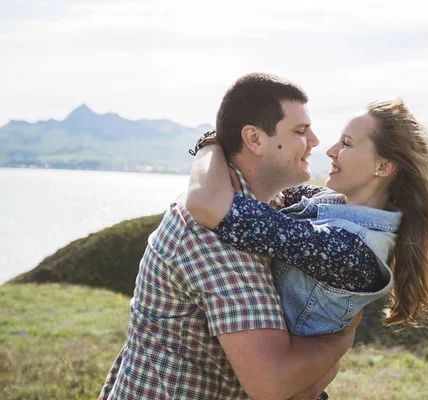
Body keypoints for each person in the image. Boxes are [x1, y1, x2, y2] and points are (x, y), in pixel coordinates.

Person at [98, 73, 362, 400]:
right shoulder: (215, 234)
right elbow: (272, 383)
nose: (316, 141)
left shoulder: (271, 204)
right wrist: (341, 338)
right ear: (253, 138)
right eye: (300, 131)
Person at [186, 98, 428, 347]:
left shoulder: (350, 251)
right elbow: (265, 186)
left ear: (383, 166)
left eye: (346, 144)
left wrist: (209, 144)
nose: (330, 150)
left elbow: (213, 207)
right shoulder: (331, 202)